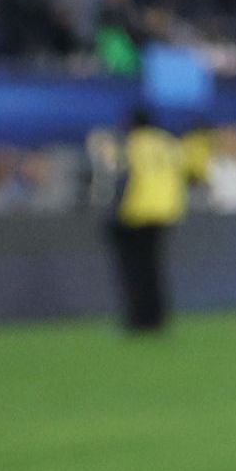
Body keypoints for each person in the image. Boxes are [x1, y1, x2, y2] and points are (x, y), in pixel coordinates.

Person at [105, 110, 188, 333]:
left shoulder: (131, 143)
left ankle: (139, 318)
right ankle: (157, 317)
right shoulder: (170, 143)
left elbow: (124, 179)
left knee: (134, 269)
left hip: (135, 213)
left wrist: (114, 212)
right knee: (153, 268)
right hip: (164, 213)